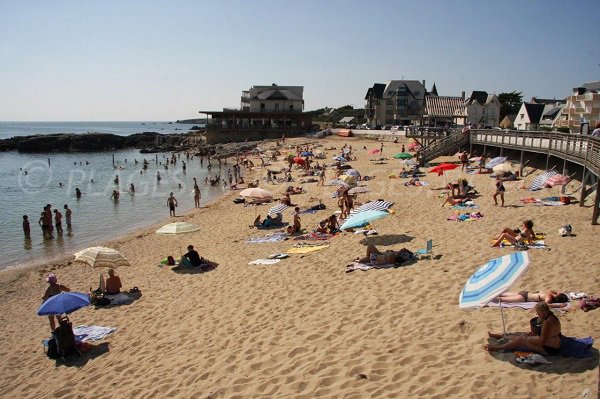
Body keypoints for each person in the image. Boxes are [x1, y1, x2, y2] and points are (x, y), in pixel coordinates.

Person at [485, 302, 562, 356]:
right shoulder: (553, 317)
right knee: (524, 336)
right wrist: (532, 337)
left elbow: (542, 341)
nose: (537, 314)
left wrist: (529, 340)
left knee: (520, 340)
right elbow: (549, 334)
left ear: (542, 312)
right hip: (555, 345)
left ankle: (497, 348)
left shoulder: (547, 323)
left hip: (549, 349)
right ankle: (502, 336)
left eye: (538, 312)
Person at [497, 290, 569, 308]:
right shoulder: (549, 298)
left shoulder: (550, 293)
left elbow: (556, 292)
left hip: (525, 293)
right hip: (524, 298)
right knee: (502, 299)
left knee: (502, 294)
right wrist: (559, 305)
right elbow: (547, 304)